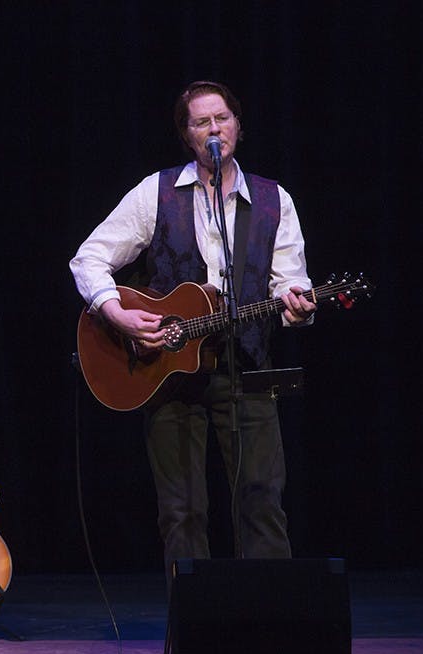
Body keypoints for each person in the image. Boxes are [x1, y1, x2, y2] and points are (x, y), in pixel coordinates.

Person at [69, 81, 316, 585]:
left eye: (221, 119)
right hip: (170, 375)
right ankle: (195, 639)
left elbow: (291, 281)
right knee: (182, 513)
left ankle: (271, 634)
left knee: (261, 504)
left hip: (247, 370)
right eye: (201, 123)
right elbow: (89, 257)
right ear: (187, 135)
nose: (213, 130)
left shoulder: (272, 201)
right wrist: (115, 311)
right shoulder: (155, 193)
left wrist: (298, 305)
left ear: (238, 127)